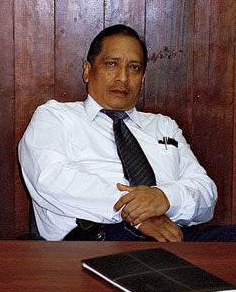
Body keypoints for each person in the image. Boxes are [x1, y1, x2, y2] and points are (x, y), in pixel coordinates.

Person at [18, 24, 236, 241]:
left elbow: (206, 193)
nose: (123, 77)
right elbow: (51, 179)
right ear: (87, 71)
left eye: (134, 68)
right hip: (100, 239)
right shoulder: (56, 117)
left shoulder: (163, 126)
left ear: (142, 78)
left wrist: (165, 198)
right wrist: (136, 213)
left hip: (174, 234)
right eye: (111, 64)